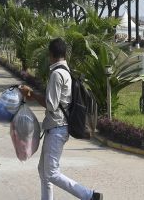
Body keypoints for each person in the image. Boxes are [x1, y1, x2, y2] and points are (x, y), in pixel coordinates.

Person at [19, 38, 103, 200]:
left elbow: (51, 105)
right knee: (43, 171)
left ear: (50, 54)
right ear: (64, 54)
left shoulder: (57, 74)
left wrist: (31, 94)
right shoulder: (66, 71)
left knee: (51, 172)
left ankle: (89, 195)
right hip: (57, 127)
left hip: (57, 128)